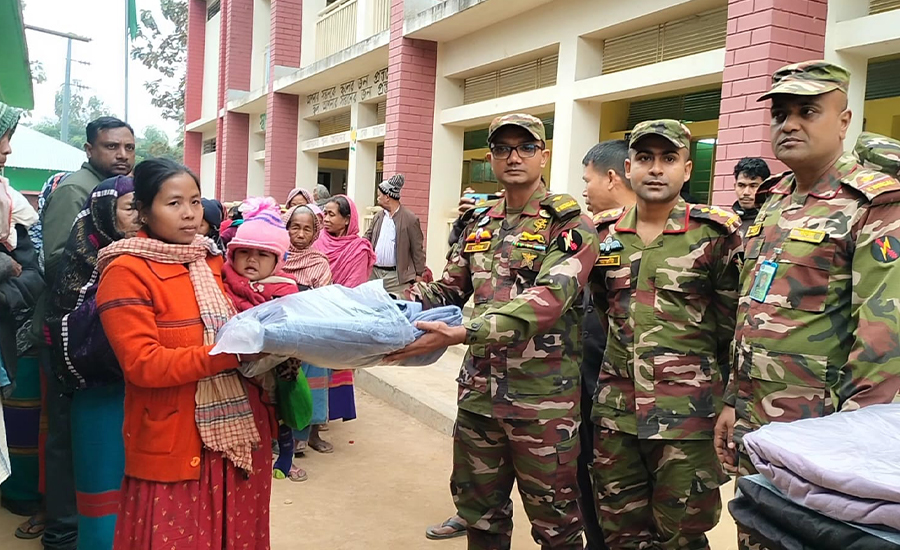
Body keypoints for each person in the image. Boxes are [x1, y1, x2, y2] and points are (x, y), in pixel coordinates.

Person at [712, 61, 900, 550]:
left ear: (843, 121)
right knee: (754, 532)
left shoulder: (873, 205)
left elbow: (884, 336)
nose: (789, 123)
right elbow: (751, 314)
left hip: (821, 435)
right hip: (758, 422)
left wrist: (851, 451)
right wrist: (733, 399)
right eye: (780, 113)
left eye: (807, 111)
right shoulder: (773, 202)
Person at [389, 113, 599, 549]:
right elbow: (449, 289)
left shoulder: (570, 225)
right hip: (479, 398)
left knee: (557, 527)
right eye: (503, 149)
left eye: (525, 147)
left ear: (544, 155)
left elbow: (549, 299)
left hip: (543, 405)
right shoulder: (478, 222)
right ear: (490, 158)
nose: (514, 156)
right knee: (481, 518)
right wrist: (390, 306)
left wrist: (468, 332)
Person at [95, 158, 272, 549]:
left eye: (194, 201)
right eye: (174, 204)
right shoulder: (126, 271)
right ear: (143, 211)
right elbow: (144, 365)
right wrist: (232, 353)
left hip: (237, 435)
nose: (190, 214)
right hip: (175, 441)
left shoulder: (210, 260)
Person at [590, 120, 742, 550]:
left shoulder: (715, 235)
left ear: (688, 169)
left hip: (688, 420)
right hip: (617, 417)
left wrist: (727, 398)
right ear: (627, 167)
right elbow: (604, 311)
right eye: (645, 158)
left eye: (668, 159)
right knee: (620, 531)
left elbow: (732, 326)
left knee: (682, 536)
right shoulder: (603, 235)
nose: (656, 169)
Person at [31, 115, 135, 550]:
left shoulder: (123, 191)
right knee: (64, 435)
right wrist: (117, 272)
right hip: (66, 329)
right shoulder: (78, 189)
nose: (122, 156)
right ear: (90, 149)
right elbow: (56, 262)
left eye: (129, 147)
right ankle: (61, 532)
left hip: (96, 335)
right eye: (111, 147)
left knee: (91, 435)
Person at [221, 197, 308, 482]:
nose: (251, 259)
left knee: (278, 412)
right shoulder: (220, 284)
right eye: (244, 251)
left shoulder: (286, 289)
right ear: (231, 255)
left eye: (262, 254)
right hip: (228, 372)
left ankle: (285, 455)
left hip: (273, 368)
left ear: (277, 260)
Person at [578, 139, 636, 550]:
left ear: (612, 176)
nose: (585, 189)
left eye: (588, 180)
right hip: (587, 388)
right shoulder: (590, 234)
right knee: (590, 486)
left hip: (632, 395)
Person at [0, 103, 45, 539]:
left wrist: (6, 283)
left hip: (12, 339)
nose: (7, 150)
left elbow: (31, 273)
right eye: (3, 138)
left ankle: (19, 493)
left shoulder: (12, 210)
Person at [313, 195, 375, 424]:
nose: (325, 219)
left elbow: (354, 287)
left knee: (337, 367)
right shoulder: (317, 241)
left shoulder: (358, 249)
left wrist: (332, 301)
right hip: (315, 312)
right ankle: (315, 418)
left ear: (347, 219)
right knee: (315, 368)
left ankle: (327, 414)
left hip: (342, 314)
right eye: (324, 214)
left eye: (331, 214)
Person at [283, 204, 334, 455]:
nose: (300, 234)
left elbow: (324, 295)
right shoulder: (278, 256)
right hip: (282, 329)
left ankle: (311, 434)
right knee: (286, 384)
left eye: (306, 229)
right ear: (287, 228)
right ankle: (287, 439)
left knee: (314, 383)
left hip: (311, 329)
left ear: (315, 233)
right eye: (295, 227)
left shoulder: (319, 262)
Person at [365, 174, 426, 295]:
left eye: (379, 196)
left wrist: (419, 275)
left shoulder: (410, 219)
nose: (377, 199)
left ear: (387, 197)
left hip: (397, 279)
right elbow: (367, 237)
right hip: (374, 274)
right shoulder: (378, 216)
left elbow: (417, 250)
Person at [731, 157, 771, 238]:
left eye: (753, 186)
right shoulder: (726, 221)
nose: (746, 192)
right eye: (741, 185)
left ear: (766, 187)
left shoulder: (774, 222)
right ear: (735, 186)